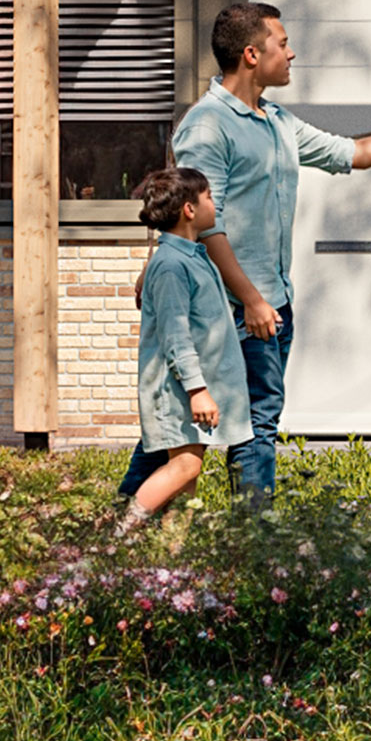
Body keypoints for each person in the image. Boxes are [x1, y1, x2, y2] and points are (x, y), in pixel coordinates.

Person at [122, 1, 371, 507]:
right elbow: (203, 222)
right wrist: (250, 299)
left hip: (269, 300)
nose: (292, 53)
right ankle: (245, 545)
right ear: (251, 54)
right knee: (201, 434)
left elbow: (354, 154)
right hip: (226, 308)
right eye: (282, 44)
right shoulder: (208, 127)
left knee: (241, 427)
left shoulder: (276, 121)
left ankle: (154, 539)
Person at [113, 166, 251, 540]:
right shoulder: (173, 265)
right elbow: (175, 335)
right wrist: (197, 390)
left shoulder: (191, 256)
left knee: (187, 477)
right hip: (176, 392)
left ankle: (173, 564)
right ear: (189, 210)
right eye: (208, 197)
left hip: (189, 390)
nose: (214, 203)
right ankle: (115, 538)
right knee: (185, 469)